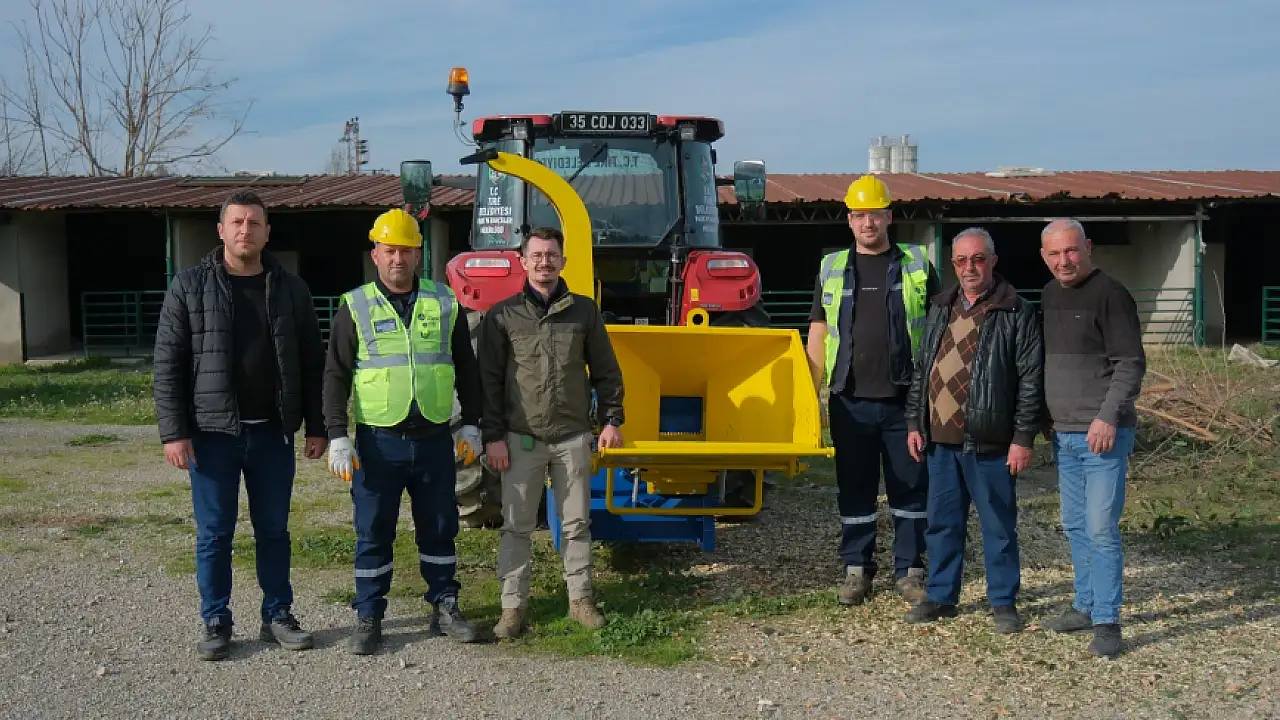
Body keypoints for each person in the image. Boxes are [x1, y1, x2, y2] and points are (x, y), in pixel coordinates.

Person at [153, 189, 328, 661]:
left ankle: (278, 615)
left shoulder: (291, 289)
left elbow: (313, 362)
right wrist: (174, 432)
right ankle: (216, 620)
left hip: (273, 433)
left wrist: (318, 426)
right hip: (212, 436)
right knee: (215, 533)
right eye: (236, 222)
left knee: (274, 530)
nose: (245, 230)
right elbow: (168, 364)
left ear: (267, 232)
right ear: (221, 230)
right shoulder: (189, 286)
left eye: (254, 223)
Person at [322, 208, 485, 655]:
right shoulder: (355, 306)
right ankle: (369, 614)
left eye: (406, 250)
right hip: (379, 443)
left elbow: (467, 367)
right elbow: (335, 374)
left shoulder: (444, 301)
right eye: (390, 250)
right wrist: (337, 434)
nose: (398, 258)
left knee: (440, 527)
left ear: (419, 254)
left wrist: (472, 423)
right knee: (373, 530)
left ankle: (444, 604)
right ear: (375, 253)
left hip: (433, 440)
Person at [477, 226, 625, 640]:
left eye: (551, 255)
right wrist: (493, 436)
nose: (544, 262)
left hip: (572, 436)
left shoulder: (585, 312)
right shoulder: (502, 316)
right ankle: (512, 608)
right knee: (516, 525)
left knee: (576, 523)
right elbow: (488, 381)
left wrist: (611, 420)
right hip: (520, 438)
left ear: (563, 261)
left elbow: (606, 371)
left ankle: (580, 600)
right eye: (537, 255)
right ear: (523, 262)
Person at [805, 175, 941, 606]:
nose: (868, 223)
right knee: (855, 486)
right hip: (849, 399)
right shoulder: (831, 267)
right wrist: (811, 393)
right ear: (849, 220)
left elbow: (939, 327)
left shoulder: (917, 264)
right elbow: (818, 329)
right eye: (860, 215)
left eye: (875, 215)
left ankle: (910, 569)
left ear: (889, 217)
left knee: (910, 484)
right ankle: (856, 568)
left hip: (906, 400)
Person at [902, 228, 1044, 633]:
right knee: (942, 524)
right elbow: (922, 369)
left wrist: (1023, 438)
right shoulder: (940, 307)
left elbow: (1031, 379)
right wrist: (914, 422)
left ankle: (1003, 602)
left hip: (990, 442)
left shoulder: (1016, 310)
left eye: (978, 259)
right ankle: (941, 596)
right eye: (962, 260)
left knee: (998, 526)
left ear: (993, 262)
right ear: (953, 264)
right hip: (940, 443)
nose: (970, 268)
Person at [1038, 218, 1146, 659]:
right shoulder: (1049, 295)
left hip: (1101, 434)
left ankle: (1107, 620)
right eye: (1054, 253)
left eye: (1071, 250)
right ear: (1043, 257)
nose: (1064, 260)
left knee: (1101, 529)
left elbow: (1130, 363)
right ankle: (1084, 605)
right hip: (1064, 434)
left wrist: (1108, 417)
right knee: (1075, 524)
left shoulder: (1111, 295)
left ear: (1088, 247)